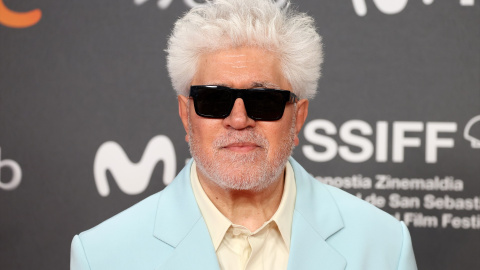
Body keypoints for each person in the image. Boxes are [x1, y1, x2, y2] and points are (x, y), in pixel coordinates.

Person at [71, 0, 418, 269]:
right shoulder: (102, 255)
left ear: (297, 118)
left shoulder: (384, 245)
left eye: (264, 100)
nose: (239, 119)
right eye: (215, 99)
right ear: (185, 114)